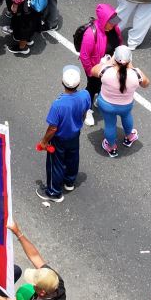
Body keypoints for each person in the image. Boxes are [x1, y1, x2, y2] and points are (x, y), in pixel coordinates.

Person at [38, 64, 90, 201]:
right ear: (78, 83)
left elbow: (53, 128)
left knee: (56, 164)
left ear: (62, 82)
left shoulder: (58, 104)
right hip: (75, 134)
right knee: (72, 157)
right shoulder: (85, 95)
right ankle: (69, 181)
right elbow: (84, 113)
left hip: (59, 139)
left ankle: (54, 193)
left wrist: (43, 142)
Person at [91, 44, 149, 157]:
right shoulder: (136, 73)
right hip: (126, 105)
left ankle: (111, 147)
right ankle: (129, 137)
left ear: (114, 58)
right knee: (127, 117)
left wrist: (108, 62)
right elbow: (146, 83)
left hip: (106, 104)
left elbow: (93, 71)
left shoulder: (106, 70)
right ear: (130, 60)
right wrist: (131, 66)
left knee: (110, 125)